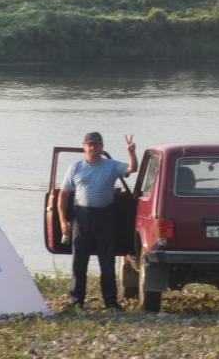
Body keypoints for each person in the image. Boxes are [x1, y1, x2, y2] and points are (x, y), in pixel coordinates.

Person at [57, 132, 138, 310]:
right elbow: (63, 195)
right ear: (84, 147)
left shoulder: (111, 165)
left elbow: (132, 169)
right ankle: (76, 299)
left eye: (97, 145)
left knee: (106, 261)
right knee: (79, 260)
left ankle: (110, 301)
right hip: (81, 217)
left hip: (105, 216)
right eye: (90, 145)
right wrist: (63, 222)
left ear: (102, 147)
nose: (94, 148)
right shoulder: (75, 167)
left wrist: (131, 152)